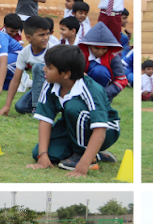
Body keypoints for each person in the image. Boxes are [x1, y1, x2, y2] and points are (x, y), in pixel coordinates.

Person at [28, 44, 120, 175]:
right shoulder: (49, 84)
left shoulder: (91, 89)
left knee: (73, 107)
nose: (44, 69)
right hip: (73, 126)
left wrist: (84, 164)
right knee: (38, 152)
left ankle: (83, 156)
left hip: (106, 129)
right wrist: (42, 155)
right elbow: (45, 120)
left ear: (66, 74)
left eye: (49, 67)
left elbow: (100, 128)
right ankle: (97, 154)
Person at [0, 15, 52, 116]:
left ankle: (38, 109)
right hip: (41, 88)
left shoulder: (53, 50)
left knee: (38, 67)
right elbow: (16, 80)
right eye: (41, 35)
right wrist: (7, 105)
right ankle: (46, 105)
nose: (46, 38)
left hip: (56, 87)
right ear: (28, 37)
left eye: (48, 34)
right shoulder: (24, 53)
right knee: (20, 106)